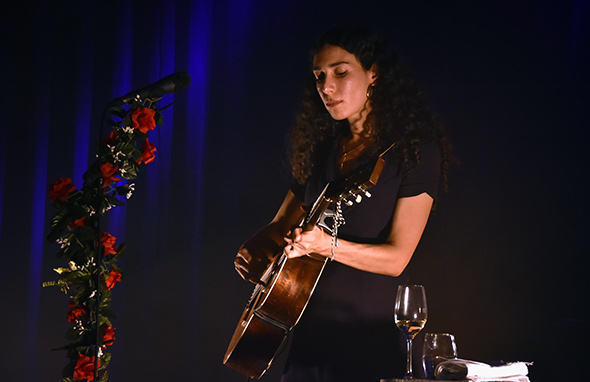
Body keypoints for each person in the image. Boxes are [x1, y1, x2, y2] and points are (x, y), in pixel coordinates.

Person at [234, 24, 453, 382]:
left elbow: (397, 259)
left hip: (367, 335)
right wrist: (253, 251)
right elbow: (280, 225)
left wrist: (327, 246)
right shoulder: (321, 151)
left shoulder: (414, 152)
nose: (326, 87)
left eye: (341, 72)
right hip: (306, 330)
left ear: (374, 75)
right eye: (319, 76)